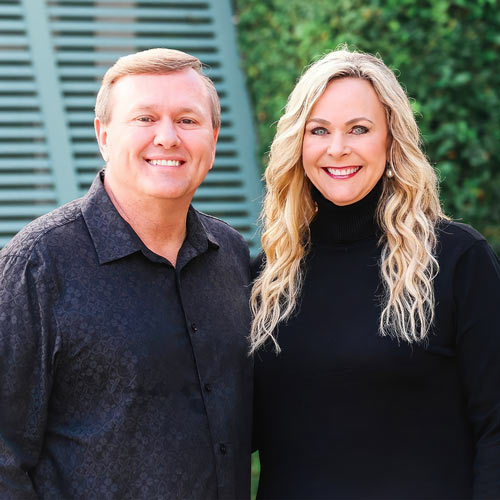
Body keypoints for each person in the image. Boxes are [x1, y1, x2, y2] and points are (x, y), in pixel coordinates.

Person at [0, 48, 252, 499]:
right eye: (145, 118)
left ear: (213, 139)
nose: (167, 137)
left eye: (187, 120)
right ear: (104, 135)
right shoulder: (37, 265)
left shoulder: (230, 255)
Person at [250, 48, 500, 499]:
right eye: (319, 130)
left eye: (359, 129)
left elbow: (496, 426)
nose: (337, 148)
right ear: (297, 144)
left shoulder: (456, 260)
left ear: (391, 140)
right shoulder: (268, 279)